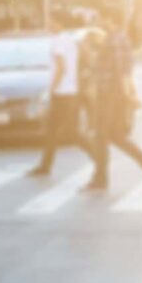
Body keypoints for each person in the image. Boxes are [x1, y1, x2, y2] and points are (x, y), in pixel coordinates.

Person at [87, 8, 142, 191]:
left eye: (101, 18)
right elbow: (125, 73)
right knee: (114, 137)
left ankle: (101, 179)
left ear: (110, 19)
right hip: (112, 96)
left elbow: (121, 73)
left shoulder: (114, 41)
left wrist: (129, 97)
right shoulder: (119, 39)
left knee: (101, 137)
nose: (99, 22)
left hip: (109, 97)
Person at [29, 13, 104, 177]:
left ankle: (99, 159)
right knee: (52, 130)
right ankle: (45, 166)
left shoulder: (58, 41)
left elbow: (61, 68)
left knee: (72, 132)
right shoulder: (71, 40)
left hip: (62, 93)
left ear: (58, 23)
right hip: (71, 91)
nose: (48, 25)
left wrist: (51, 89)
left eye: (50, 21)